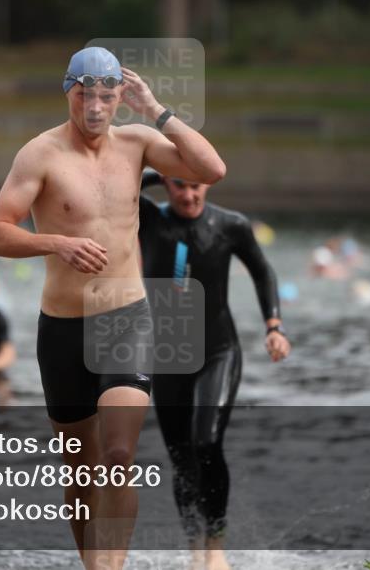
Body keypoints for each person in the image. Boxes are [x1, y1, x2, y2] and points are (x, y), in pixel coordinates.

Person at [0, 46, 226, 570]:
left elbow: (213, 168)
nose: (95, 105)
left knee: (117, 456)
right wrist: (55, 243)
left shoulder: (138, 142)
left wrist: (155, 108)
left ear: (120, 96)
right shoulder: (39, 155)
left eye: (106, 95)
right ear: (69, 92)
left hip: (126, 317)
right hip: (63, 329)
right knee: (81, 471)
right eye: (85, 93)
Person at [138, 171, 291, 570]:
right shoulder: (150, 219)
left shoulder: (230, 225)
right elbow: (118, 185)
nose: (189, 195)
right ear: (166, 187)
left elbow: (262, 271)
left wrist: (273, 326)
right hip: (168, 354)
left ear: (208, 184)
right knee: (181, 457)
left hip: (217, 352)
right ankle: (195, 549)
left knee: (206, 442)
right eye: (178, 186)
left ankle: (216, 548)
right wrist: (156, 170)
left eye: (196, 185)